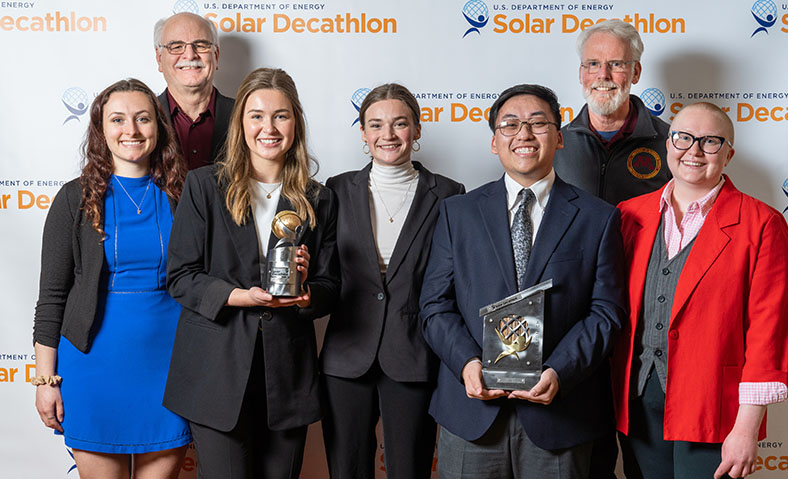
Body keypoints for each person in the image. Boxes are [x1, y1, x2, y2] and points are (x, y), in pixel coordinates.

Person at [419, 84, 626, 478]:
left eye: (538, 124)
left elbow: (606, 313)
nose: (524, 135)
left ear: (560, 137)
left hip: (560, 414)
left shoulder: (598, 218)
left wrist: (560, 372)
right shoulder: (457, 213)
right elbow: (434, 306)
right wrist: (466, 363)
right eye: (510, 125)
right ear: (495, 141)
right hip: (472, 412)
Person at [162, 67, 339, 478]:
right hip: (216, 374)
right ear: (241, 123)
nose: (269, 127)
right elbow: (181, 276)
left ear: (296, 122)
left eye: (281, 115)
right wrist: (239, 296)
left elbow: (332, 285)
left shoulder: (318, 198)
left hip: (287, 378)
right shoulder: (204, 185)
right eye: (257, 115)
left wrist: (308, 294)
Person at [613, 103, 788, 479]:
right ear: (668, 145)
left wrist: (746, 428)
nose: (694, 151)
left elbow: (770, 333)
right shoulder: (629, 215)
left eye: (710, 142)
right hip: (638, 403)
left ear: (728, 154)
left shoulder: (762, 224)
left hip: (716, 408)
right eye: (683, 138)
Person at [33, 78, 190, 477]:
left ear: (159, 126)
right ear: (101, 130)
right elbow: (52, 297)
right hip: (93, 365)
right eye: (118, 120)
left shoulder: (185, 194)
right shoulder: (74, 197)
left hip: (171, 367)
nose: (131, 131)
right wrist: (45, 381)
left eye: (143, 119)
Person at [320, 83, 464, 478]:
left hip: (414, 353)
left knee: (410, 470)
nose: (388, 135)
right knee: (346, 470)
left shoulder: (450, 194)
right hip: (347, 354)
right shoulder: (336, 189)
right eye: (376, 125)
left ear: (416, 131)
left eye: (399, 124)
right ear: (364, 134)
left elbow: (450, 282)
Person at [554, 19, 671, 205]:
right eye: (593, 64)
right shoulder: (554, 144)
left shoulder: (672, 143)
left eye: (616, 64)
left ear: (636, 72)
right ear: (580, 73)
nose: (603, 75)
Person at [154, 12, 234, 170]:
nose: (190, 55)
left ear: (216, 56)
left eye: (201, 45)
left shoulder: (244, 115)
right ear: (159, 59)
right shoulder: (142, 119)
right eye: (176, 47)